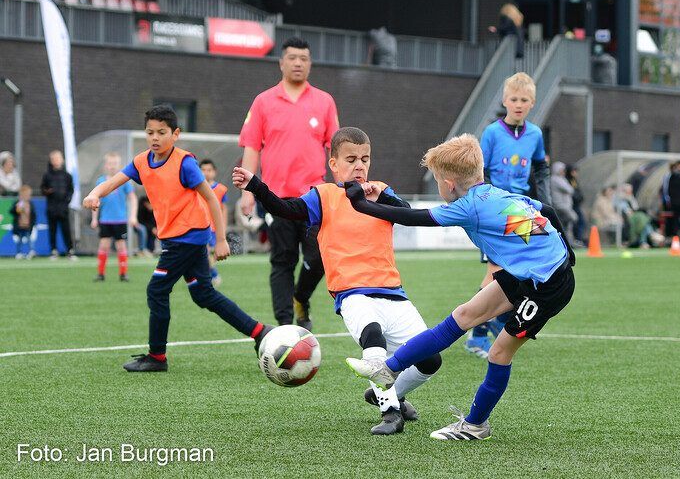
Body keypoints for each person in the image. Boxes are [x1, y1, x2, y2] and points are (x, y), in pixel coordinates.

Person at [343, 133, 575, 440]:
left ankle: (476, 425)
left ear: (449, 183)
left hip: (547, 285)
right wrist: (569, 251)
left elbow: (411, 218)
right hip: (530, 273)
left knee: (499, 354)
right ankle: (388, 369)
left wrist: (359, 204)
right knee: (464, 315)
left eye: (438, 180)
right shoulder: (494, 194)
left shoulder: (469, 207)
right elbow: (548, 210)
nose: (439, 187)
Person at [233, 127, 442, 436]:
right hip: (352, 292)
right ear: (334, 165)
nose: (359, 166)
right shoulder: (325, 195)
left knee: (430, 359)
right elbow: (286, 209)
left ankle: (391, 393)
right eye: (351, 159)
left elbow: (407, 214)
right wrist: (256, 186)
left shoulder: (381, 190)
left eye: (365, 159)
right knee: (374, 340)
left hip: (392, 292)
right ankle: (390, 413)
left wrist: (380, 198)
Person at [83, 105, 271, 372]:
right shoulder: (141, 161)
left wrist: (220, 240)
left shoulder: (184, 163)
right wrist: (95, 194)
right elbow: (114, 181)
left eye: (162, 132)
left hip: (189, 238)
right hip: (177, 240)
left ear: (176, 134)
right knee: (204, 295)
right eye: (150, 132)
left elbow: (211, 199)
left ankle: (157, 357)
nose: (155, 138)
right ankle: (259, 331)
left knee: (157, 290)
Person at [238, 36, 339, 330]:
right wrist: (247, 191)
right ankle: (285, 325)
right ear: (281, 62)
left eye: (304, 58)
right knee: (282, 261)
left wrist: (345, 190)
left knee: (319, 258)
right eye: (292, 58)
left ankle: (300, 297)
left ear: (310, 64)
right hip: (275, 198)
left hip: (314, 198)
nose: (298, 63)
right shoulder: (263, 101)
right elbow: (252, 147)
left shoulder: (324, 101)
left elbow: (336, 149)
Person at [467, 72, 551, 358]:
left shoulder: (536, 135)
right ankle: (479, 331)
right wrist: (485, 203)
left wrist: (545, 203)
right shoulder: (491, 133)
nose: (518, 104)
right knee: (495, 272)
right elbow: (481, 171)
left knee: (517, 269)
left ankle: (486, 327)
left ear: (532, 103)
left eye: (524, 100)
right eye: (513, 99)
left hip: (522, 210)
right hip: (495, 208)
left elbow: (540, 170)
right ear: (505, 101)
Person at [92, 152, 138, 282]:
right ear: (106, 165)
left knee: (121, 247)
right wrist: (94, 218)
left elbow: (133, 199)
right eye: (110, 163)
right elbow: (95, 200)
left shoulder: (124, 181)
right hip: (105, 220)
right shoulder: (101, 181)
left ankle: (123, 274)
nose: (112, 166)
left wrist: (133, 216)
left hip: (120, 220)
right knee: (103, 245)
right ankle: (101, 274)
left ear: (119, 165)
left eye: (115, 164)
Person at [41, 149, 77, 260]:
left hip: (63, 208)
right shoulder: (47, 175)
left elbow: (71, 190)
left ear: (62, 160)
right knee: (52, 230)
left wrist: (67, 200)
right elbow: (43, 189)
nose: (56, 161)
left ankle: (70, 251)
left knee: (66, 230)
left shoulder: (67, 176)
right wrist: (47, 191)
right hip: (51, 207)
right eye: (53, 159)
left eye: (58, 158)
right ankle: (53, 250)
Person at [199, 159, 228, 286]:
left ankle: (210, 275)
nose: (206, 173)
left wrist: (224, 227)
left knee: (211, 255)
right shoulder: (196, 187)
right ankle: (212, 275)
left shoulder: (221, 189)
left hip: (215, 227)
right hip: (200, 226)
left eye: (209, 170)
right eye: (203, 170)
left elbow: (224, 209)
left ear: (214, 172)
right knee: (204, 253)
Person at [551, 161, 578, 244]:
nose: (563, 172)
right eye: (562, 170)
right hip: (560, 205)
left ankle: (569, 242)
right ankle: (566, 241)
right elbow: (569, 189)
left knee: (567, 225)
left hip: (566, 205)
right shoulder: (555, 179)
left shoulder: (562, 179)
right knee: (573, 218)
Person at [10, 184, 36, 259]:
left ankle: (31, 251)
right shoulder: (19, 203)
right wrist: (16, 209)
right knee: (20, 240)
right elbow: (12, 211)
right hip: (20, 225)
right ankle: (19, 252)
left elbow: (33, 215)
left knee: (29, 239)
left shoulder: (30, 204)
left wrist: (33, 224)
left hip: (28, 225)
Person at [566, 164, 586, 245]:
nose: (575, 173)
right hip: (571, 205)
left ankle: (578, 239)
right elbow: (572, 192)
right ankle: (576, 239)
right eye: (574, 171)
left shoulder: (574, 180)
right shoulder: (567, 180)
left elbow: (577, 191)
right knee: (575, 221)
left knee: (581, 221)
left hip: (577, 205)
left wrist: (580, 197)